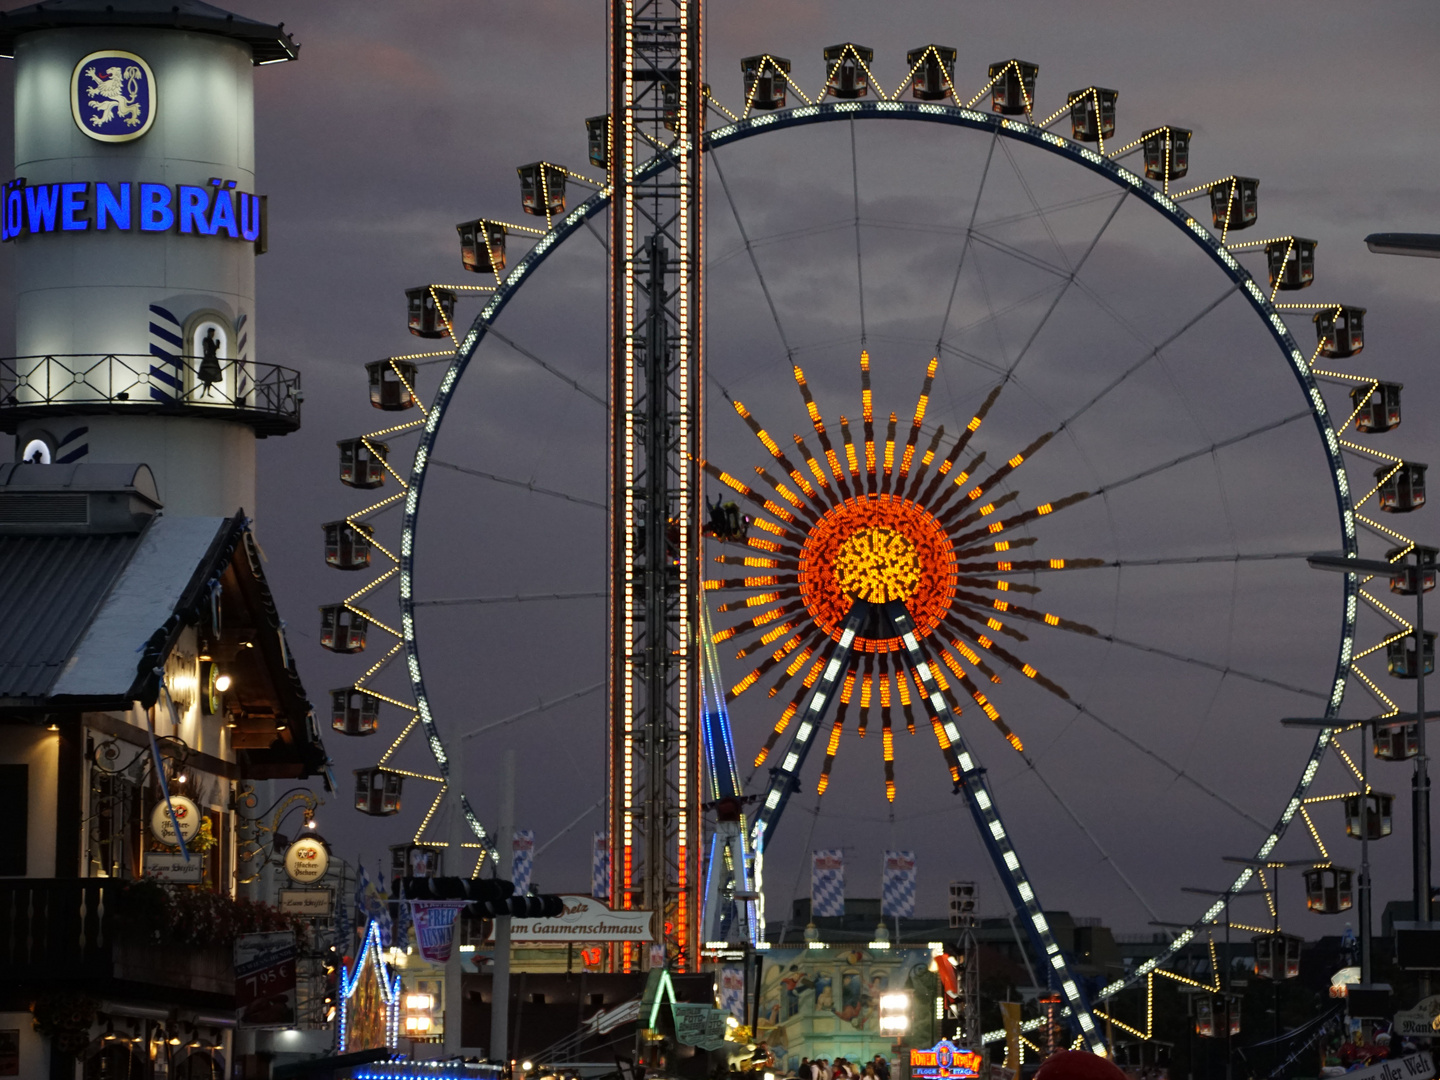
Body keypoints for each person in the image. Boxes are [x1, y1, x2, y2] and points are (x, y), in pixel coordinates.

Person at [198, 326, 223, 396]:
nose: (212, 335)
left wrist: (217, 346)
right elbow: (205, 348)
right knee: (208, 376)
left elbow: (213, 349)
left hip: (212, 359)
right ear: (209, 333)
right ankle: (204, 393)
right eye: (212, 333)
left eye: (213, 333)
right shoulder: (206, 340)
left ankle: (207, 393)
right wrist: (206, 356)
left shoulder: (210, 340)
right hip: (209, 359)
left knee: (210, 377)